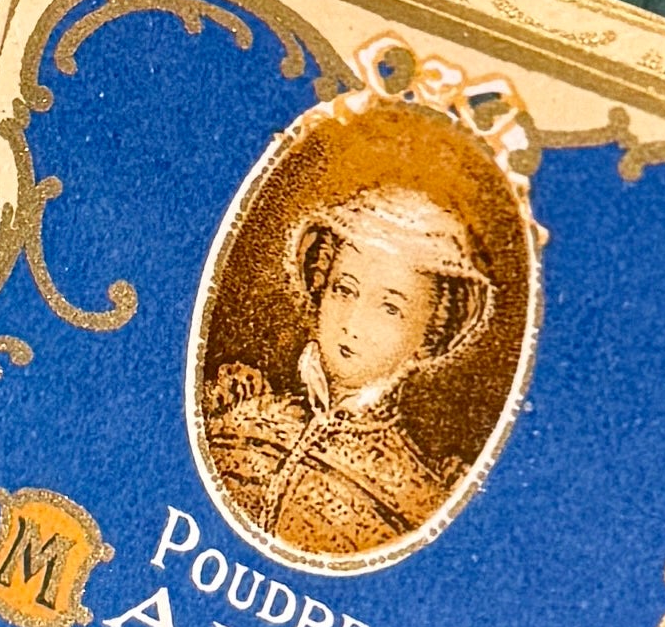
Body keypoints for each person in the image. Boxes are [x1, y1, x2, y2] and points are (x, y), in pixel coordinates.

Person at [203, 178, 498, 560]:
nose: (352, 322)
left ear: (430, 334)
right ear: (321, 285)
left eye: (389, 307)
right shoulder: (237, 418)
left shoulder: (418, 501)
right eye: (344, 289)